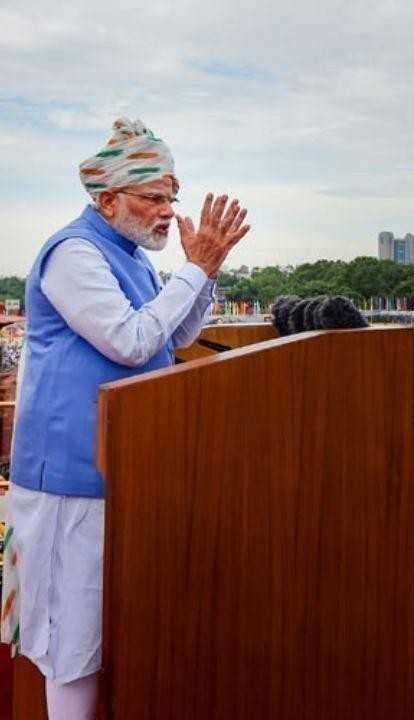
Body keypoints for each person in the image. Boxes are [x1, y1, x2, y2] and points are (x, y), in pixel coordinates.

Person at [4, 117, 249, 720]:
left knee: (107, 629)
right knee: (73, 640)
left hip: (125, 470)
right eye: (155, 197)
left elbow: (178, 334)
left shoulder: (132, 257)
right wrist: (192, 270)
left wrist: (205, 273)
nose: (169, 211)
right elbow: (133, 340)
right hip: (72, 477)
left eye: (173, 197)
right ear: (107, 198)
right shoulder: (74, 253)